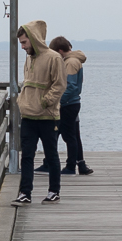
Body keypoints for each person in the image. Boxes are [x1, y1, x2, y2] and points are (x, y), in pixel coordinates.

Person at [15, 20, 66, 204]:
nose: (22, 47)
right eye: (20, 43)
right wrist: (22, 101)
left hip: (47, 116)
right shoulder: (29, 57)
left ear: (34, 39)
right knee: (27, 155)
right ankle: (25, 192)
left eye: (24, 42)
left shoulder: (54, 58)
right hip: (28, 115)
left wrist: (46, 102)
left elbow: (60, 84)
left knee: (51, 154)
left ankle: (54, 190)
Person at [48, 36, 93, 176]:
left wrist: (57, 100)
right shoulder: (73, 60)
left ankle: (69, 166)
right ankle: (79, 164)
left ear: (60, 51)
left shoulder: (71, 63)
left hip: (68, 104)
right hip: (72, 103)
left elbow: (71, 86)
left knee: (67, 135)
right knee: (71, 134)